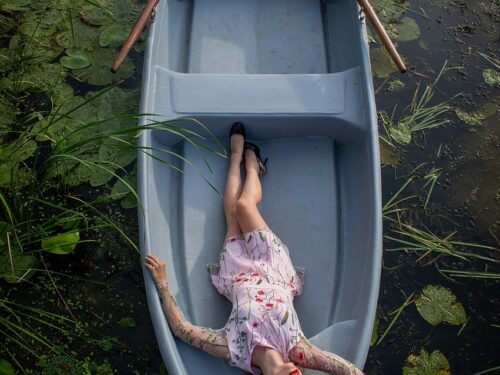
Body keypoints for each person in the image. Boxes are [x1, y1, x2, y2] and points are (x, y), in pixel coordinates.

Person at [144, 123, 364, 375]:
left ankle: (235, 157)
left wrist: (162, 284)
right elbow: (351, 373)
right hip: (273, 265)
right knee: (244, 207)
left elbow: (182, 331)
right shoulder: (298, 351)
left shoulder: (234, 350)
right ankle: (253, 168)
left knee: (230, 214)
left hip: (237, 272)